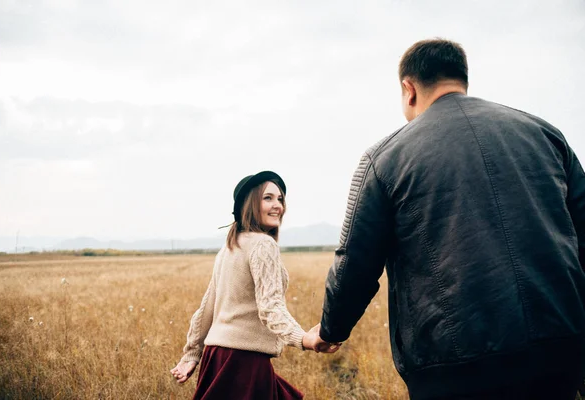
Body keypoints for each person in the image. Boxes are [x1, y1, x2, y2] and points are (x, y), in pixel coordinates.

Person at [316, 39, 585, 400]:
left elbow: (355, 264)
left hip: (453, 366)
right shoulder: (546, 135)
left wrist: (332, 329)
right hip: (560, 352)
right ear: (462, 79)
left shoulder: (385, 158)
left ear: (408, 89)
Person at [170, 171, 337, 399]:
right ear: (249, 204)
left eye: (280, 199)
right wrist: (305, 339)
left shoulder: (231, 246)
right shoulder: (263, 245)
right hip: (243, 361)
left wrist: (192, 355)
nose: (277, 205)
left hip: (217, 357)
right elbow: (270, 308)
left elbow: (206, 308)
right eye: (268, 198)